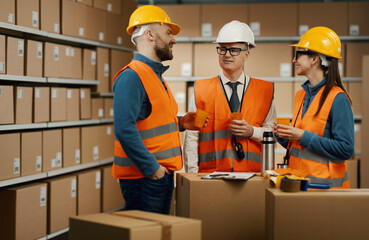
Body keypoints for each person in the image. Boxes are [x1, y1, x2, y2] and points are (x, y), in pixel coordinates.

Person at [112, 5, 201, 214]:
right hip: (145, 179)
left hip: (158, 177)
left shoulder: (154, 75)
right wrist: (154, 170)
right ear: (150, 35)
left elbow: (149, 120)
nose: (174, 39)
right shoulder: (131, 76)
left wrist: (180, 123)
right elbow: (124, 130)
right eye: (168, 32)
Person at [184, 20, 277, 173]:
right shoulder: (203, 90)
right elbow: (193, 136)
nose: (227, 54)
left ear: (246, 54)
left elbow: (273, 133)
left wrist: (252, 131)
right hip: (211, 177)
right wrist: (193, 174)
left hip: (253, 176)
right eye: (222, 49)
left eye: (234, 50)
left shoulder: (263, 91)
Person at [272, 26, 354, 189]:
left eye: (298, 54)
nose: (294, 60)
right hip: (299, 185)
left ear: (314, 58)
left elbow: (346, 149)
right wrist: (284, 136)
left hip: (325, 190)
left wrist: (303, 136)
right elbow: (301, 147)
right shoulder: (300, 96)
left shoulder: (338, 99)